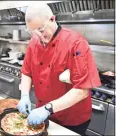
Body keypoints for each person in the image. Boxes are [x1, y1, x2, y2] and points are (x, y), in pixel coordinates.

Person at [17, 4, 101, 136]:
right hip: (44, 114)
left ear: (52, 19)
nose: (38, 36)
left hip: (72, 119)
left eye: (41, 29)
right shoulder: (34, 42)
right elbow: (26, 72)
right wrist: (24, 96)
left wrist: (48, 108)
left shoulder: (76, 44)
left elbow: (82, 90)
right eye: (33, 32)